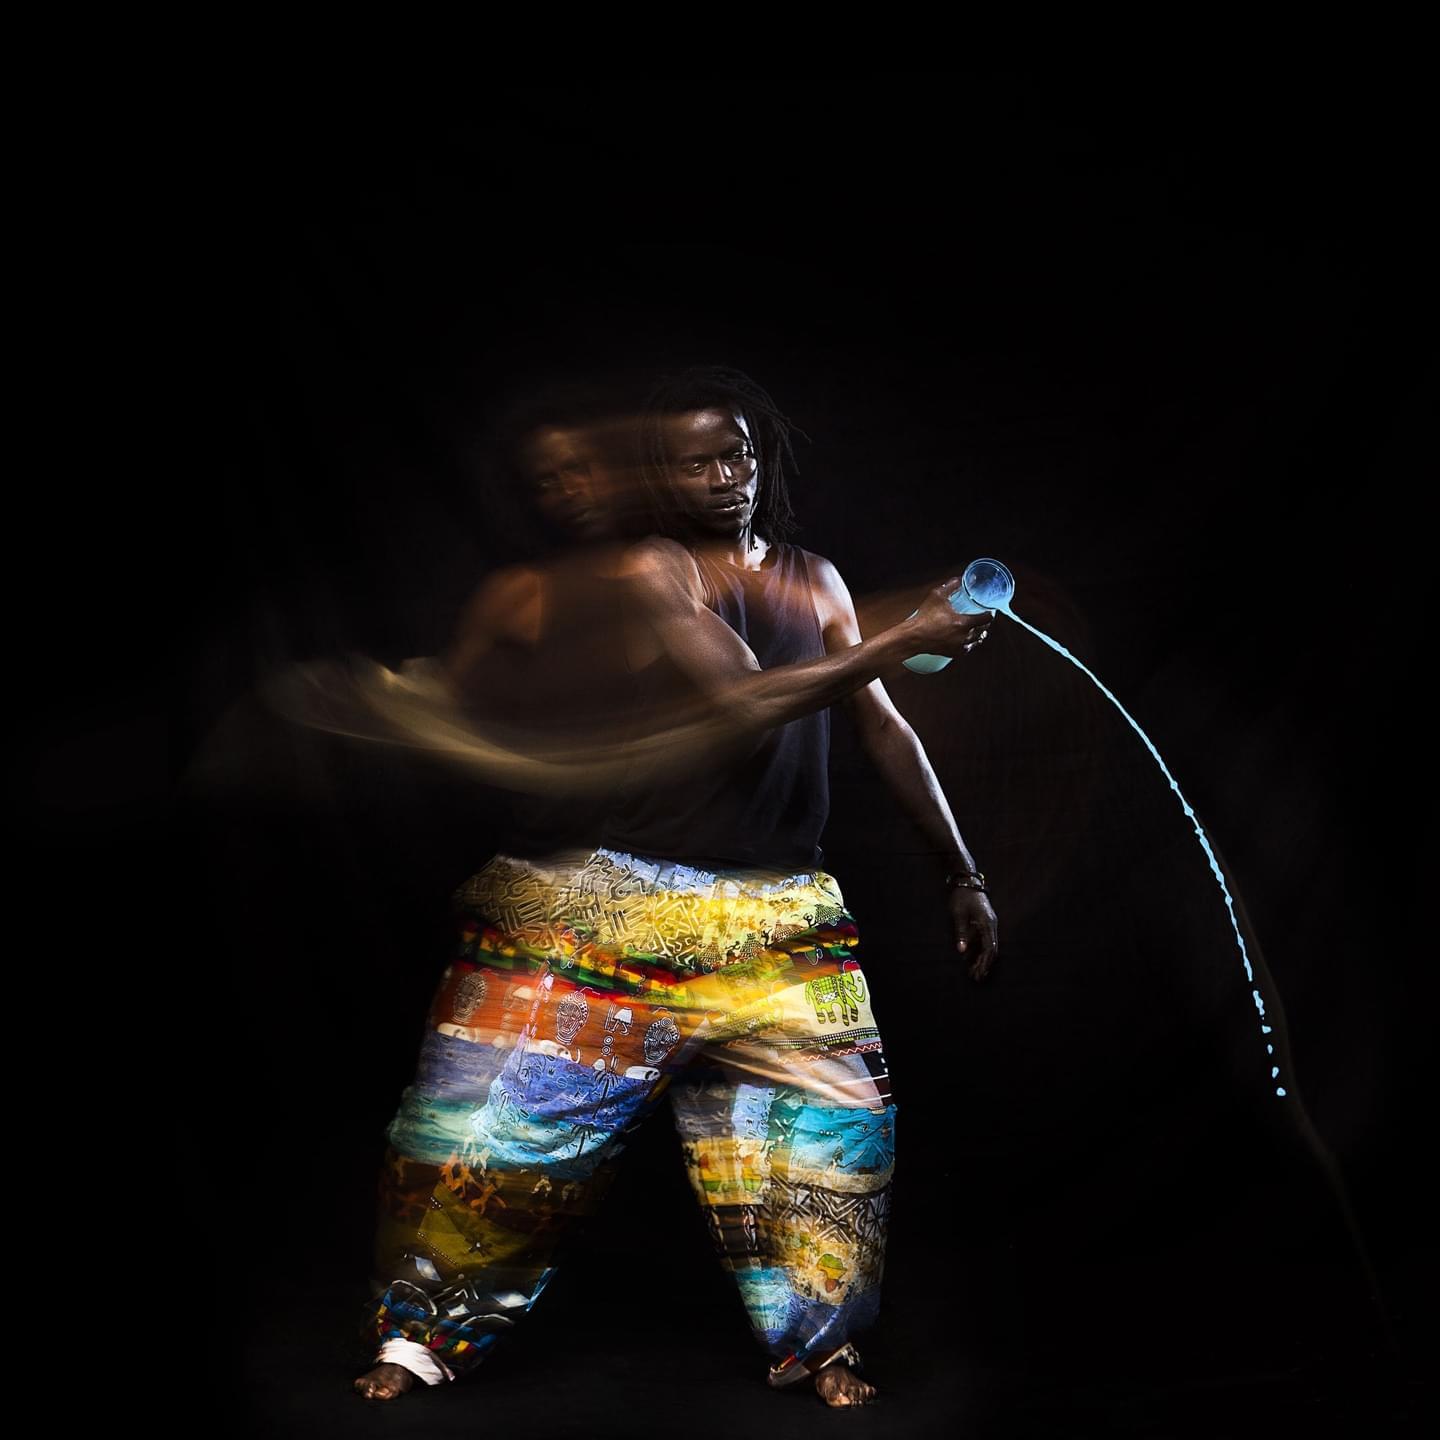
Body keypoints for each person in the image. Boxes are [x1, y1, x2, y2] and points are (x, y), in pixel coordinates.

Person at [354, 365, 997, 1408]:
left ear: (760, 456)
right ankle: (416, 1338)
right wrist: (903, 637)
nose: (722, 478)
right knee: (499, 1134)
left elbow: (884, 725)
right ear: (662, 478)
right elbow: (744, 698)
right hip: (624, 907)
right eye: (694, 463)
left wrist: (960, 871)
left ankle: (822, 1345)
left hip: (777, 913)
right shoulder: (654, 566)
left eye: (735, 454)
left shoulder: (816, 578)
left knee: (831, 1138)